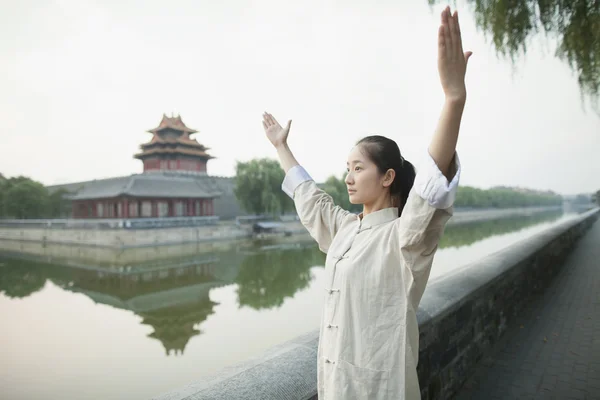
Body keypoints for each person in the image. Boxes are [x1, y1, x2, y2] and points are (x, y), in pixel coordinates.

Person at [261, 6, 471, 400]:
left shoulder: (404, 238)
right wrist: (281, 147)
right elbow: (309, 196)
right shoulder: (345, 229)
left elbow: (429, 186)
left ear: (387, 176)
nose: (348, 177)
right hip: (335, 386)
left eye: (358, 168)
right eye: (347, 168)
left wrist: (453, 98)